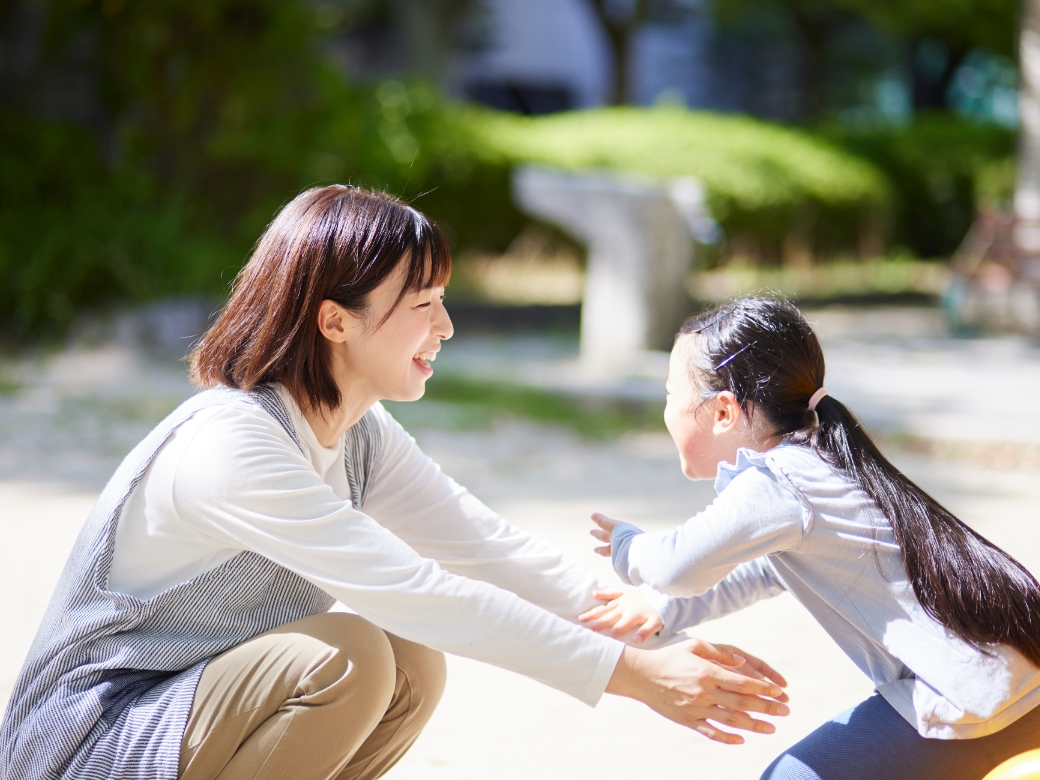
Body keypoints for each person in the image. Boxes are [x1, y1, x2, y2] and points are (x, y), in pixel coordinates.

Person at [0, 187, 790, 780]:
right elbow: (421, 590)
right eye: (423, 305)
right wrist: (637, 679)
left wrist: (669, 643)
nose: (444, 329)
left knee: (410, 662)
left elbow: (489, 551)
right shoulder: (233, 442)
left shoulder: (357, 433)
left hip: (180, 721)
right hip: (86, 742)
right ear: (334, 320)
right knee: (350, 655)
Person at [586, 296, 1040, 780]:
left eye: (671, 396)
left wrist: (629, 546)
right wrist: (664, 609)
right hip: (1014, 683)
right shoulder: (820, 459)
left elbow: (675, 565)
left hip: (973, 703)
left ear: (722, 412)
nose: (667, 411)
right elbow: (764, 570)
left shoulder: (780, 482)